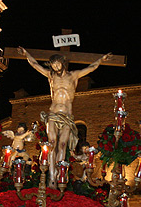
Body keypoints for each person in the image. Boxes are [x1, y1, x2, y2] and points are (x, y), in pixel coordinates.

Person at [18, 47, 111, 188]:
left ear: (63, 63)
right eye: (53, 65)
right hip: (53, 113)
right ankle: (51, 178)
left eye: (57, 64)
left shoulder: (73, 76)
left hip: (67, 115)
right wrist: (26, 54)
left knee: (62, 145)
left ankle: (59, 175)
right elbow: (35, 65)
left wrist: (101, 60)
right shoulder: (51, 76)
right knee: (52, 144)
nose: (56, 67)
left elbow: (91, 68)